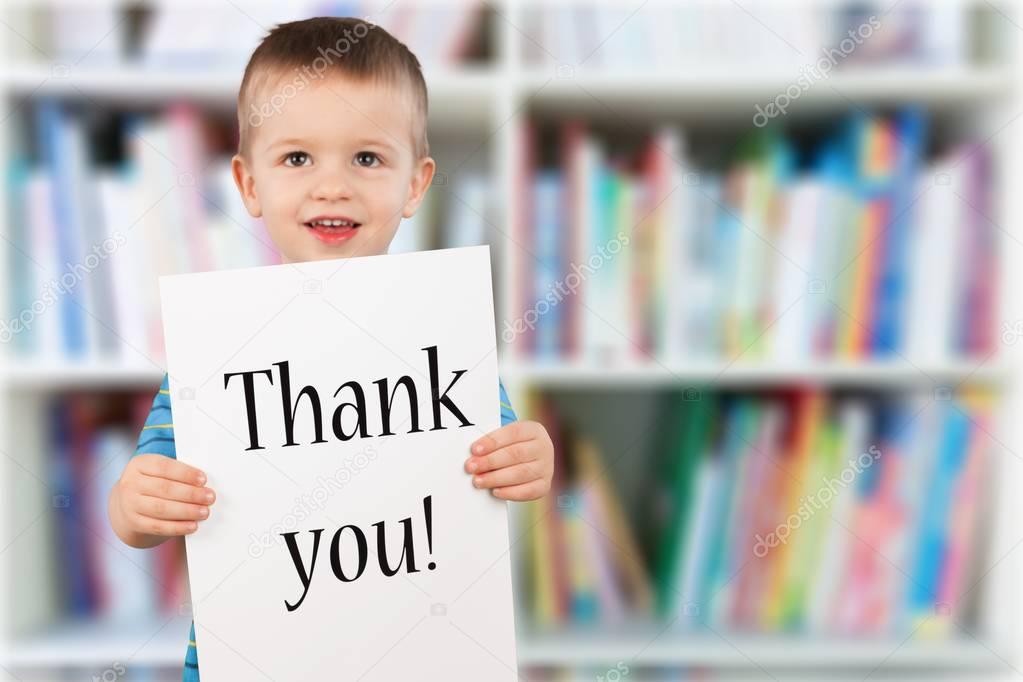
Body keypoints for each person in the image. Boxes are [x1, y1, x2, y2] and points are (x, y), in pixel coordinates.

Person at [107, 16, 555, 680]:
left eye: (366, 158)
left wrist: (530, 457)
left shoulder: (441, 336)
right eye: (296, 158)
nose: (332, 186)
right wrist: (136, 502)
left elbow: (502, 463)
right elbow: (137, 512)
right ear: (249, 184)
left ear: (414, 183)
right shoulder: (220, 348)